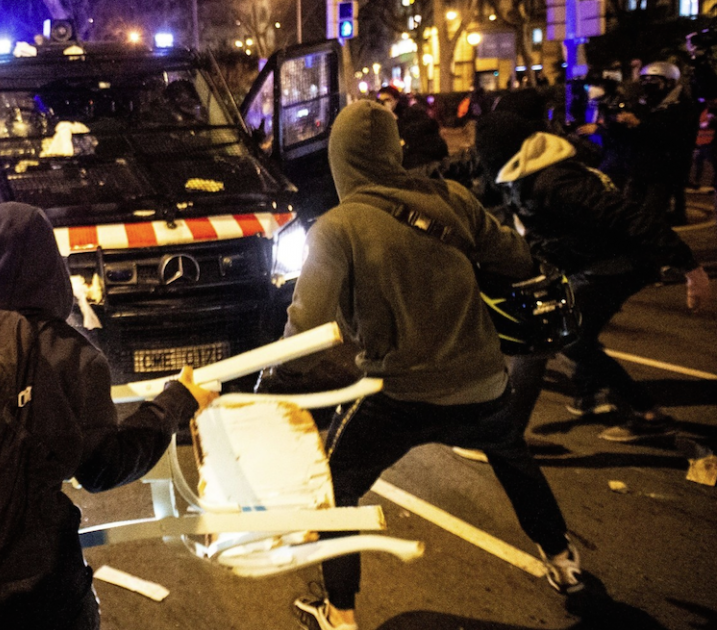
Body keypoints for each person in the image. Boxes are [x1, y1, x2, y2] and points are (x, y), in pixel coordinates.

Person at [266, 101, 582, 629]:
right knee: (514, 460)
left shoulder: (338, 228)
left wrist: (276, 383)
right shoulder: (452, 199)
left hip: (398, 394)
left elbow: (306, 328)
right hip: (482, 380)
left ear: (339, 159)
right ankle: (566, 564)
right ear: (396, 152)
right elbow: (517, 259)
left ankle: (339, 613)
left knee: (334, 483)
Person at [0, 201, 216, 629]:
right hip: (33, 598)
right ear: (49, 268)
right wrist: (178, 400)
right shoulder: (67, 352)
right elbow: (103, 468)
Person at [475, 111, 712, 442]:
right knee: (566, 332)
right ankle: (602, 399)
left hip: (619, 264)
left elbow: (631, 216)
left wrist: (691, 269)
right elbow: (458, 169)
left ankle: (643, 414)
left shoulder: (557, 183)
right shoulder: (526, 170)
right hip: (590, 260)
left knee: (564, 335)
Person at [620, 62, 699, 226]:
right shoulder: (644, 103)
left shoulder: (682, 106)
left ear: (669, 82)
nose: (648, 84)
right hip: (639, 166)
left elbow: (673, 135)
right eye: (645, 79)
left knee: (652, 215)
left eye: (653, 80)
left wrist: (639, 125)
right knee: (628, 210)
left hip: (664, 169)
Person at [377, 85, 448, 170]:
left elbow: (407, 135)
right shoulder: (380, 118)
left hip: (421, 163)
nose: (384, 104)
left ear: (396, 100)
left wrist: (394, 119)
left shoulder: (411, 114)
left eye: (387, 100)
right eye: (380, 101)